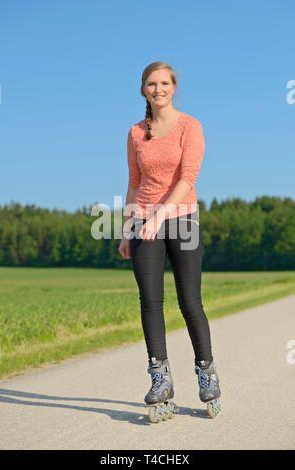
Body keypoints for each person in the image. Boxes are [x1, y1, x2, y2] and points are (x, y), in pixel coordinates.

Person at [119, 61, 220, 421]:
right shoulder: (135, 133)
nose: (158, 89)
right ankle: (160, 379)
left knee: (190, 302)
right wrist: (128, 226)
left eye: (164, 83)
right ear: (143, 90)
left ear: (174, 87)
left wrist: (160, 215)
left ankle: (206, 371)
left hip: (182, 219)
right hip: (144, 223)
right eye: (151, 83)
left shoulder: (190, 126)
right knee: (150, 301)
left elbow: (188, 178)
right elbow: (134, 181)